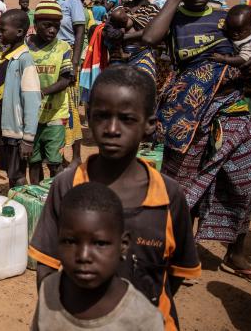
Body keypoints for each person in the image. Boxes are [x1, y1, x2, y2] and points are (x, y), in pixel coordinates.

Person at [30, 66, 201, 331]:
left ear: (149, 125)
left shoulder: (169, 196)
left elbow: (175, 274)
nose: (112, 129)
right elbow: (48, 267)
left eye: (127, 119)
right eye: (102, 116)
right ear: (89, 116)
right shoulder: (66, 186)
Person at [142, 0, 251, 289]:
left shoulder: (223, 14)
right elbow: (149, 38)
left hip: (233, 109)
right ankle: (179, 252)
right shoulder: (173, 18)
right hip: (188, 113)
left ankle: (235, 254)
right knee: (182, 186)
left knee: (244, 184)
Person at [30, 182, 165, 331]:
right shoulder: (49, 290)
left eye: (100, 243)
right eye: (70, 241)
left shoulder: (144, 319)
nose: (83, 256)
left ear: (124, 245)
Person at [39, 0, 86, 166]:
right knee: (52, 107)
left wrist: (74, 63)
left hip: (67, 57)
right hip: (50, 59)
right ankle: (57, 154)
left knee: (70, 108)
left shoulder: (72, 1)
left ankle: (76, 157)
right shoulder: (46, 2)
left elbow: (80, 32)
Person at [0, 9, 40, 189]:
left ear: (19, 32)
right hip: (6, 130)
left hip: (18, 133)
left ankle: (22, 210)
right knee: (11, 174)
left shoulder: (24, 60)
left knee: (18, 176)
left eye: (3, 30)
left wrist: (28, 138)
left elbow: (32, 101)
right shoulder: (5, 57)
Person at [27, 0, 73, 183]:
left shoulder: (63, 48)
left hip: (56, 114)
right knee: (34, 160)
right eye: (47, 25)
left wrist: (43, 92)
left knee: (55, 162)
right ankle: (34, 196)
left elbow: (66, 79)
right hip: (31, 116)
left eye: (56, 26)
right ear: (36, 24)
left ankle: (56, 196)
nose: (52, 30)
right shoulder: (25, 47)